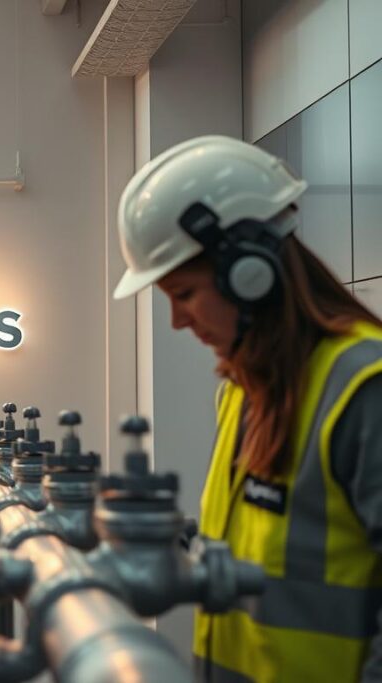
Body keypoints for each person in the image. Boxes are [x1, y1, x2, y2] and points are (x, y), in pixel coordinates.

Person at [114, 135, 382, 682]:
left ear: (249, 272)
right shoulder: (242, 391)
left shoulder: (363, 392)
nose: (178, 322)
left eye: (184, 294)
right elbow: (271, 553)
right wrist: (163, 536)